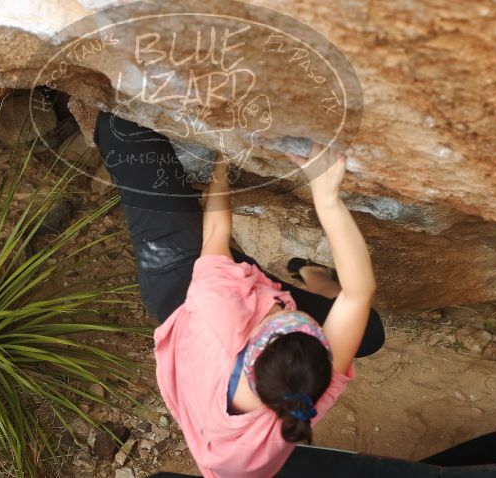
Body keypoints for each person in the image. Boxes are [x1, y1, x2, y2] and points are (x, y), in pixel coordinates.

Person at [93, 111, 384, 477]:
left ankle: (106, 125)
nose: (279, 301)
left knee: (122, 130)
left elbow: (215, 231)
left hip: (179, 289)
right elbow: (358, 294)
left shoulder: (218, 313)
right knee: (369, 331)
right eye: (292, 312)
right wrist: (327, 199)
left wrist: (222, 161)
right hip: (228, 308)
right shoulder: (300, 394)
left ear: (249, 341)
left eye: (276, 312)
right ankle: (314, 273)